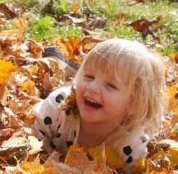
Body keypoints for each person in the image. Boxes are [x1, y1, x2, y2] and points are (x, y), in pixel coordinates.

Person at [32, 38, 166, 165]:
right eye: (89, 76)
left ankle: (67, 66)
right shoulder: (60, 105)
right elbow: (31, 130)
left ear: (134, 104)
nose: (93, 87)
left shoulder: (130, 144)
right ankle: (63, 64)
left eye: (111, 86)